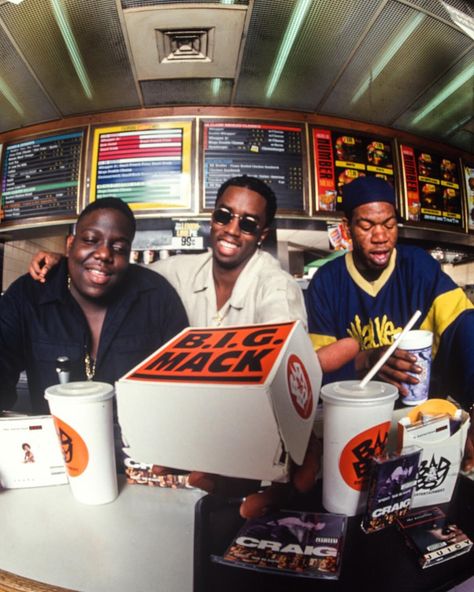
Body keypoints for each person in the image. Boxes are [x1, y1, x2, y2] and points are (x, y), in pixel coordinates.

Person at [306, 175, 474, 470]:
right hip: (354, 424)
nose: (381, 235)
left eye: (389, 224)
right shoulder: (326, 282)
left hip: (418, 420)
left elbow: (464, 325)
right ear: (347, 228)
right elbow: (314, 370)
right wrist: (368, 359)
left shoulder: (418, 266)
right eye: (367, 226)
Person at [30, 175, 308, 329]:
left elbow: (282, 363)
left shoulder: (277, 287)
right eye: (224, 216)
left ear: (263, 235)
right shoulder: (179, 271)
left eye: (248, 224)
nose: (232, 230)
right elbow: (117, 273)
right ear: (212, 219)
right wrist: (68, 261)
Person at [0, 197, 189, 415]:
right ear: (70, 245)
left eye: (119, 248)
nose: (104, 254)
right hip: (55, 444)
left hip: (138, 447)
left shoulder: (157, 297)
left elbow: (181, 390)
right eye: (91, 240)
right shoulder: (29, 295)